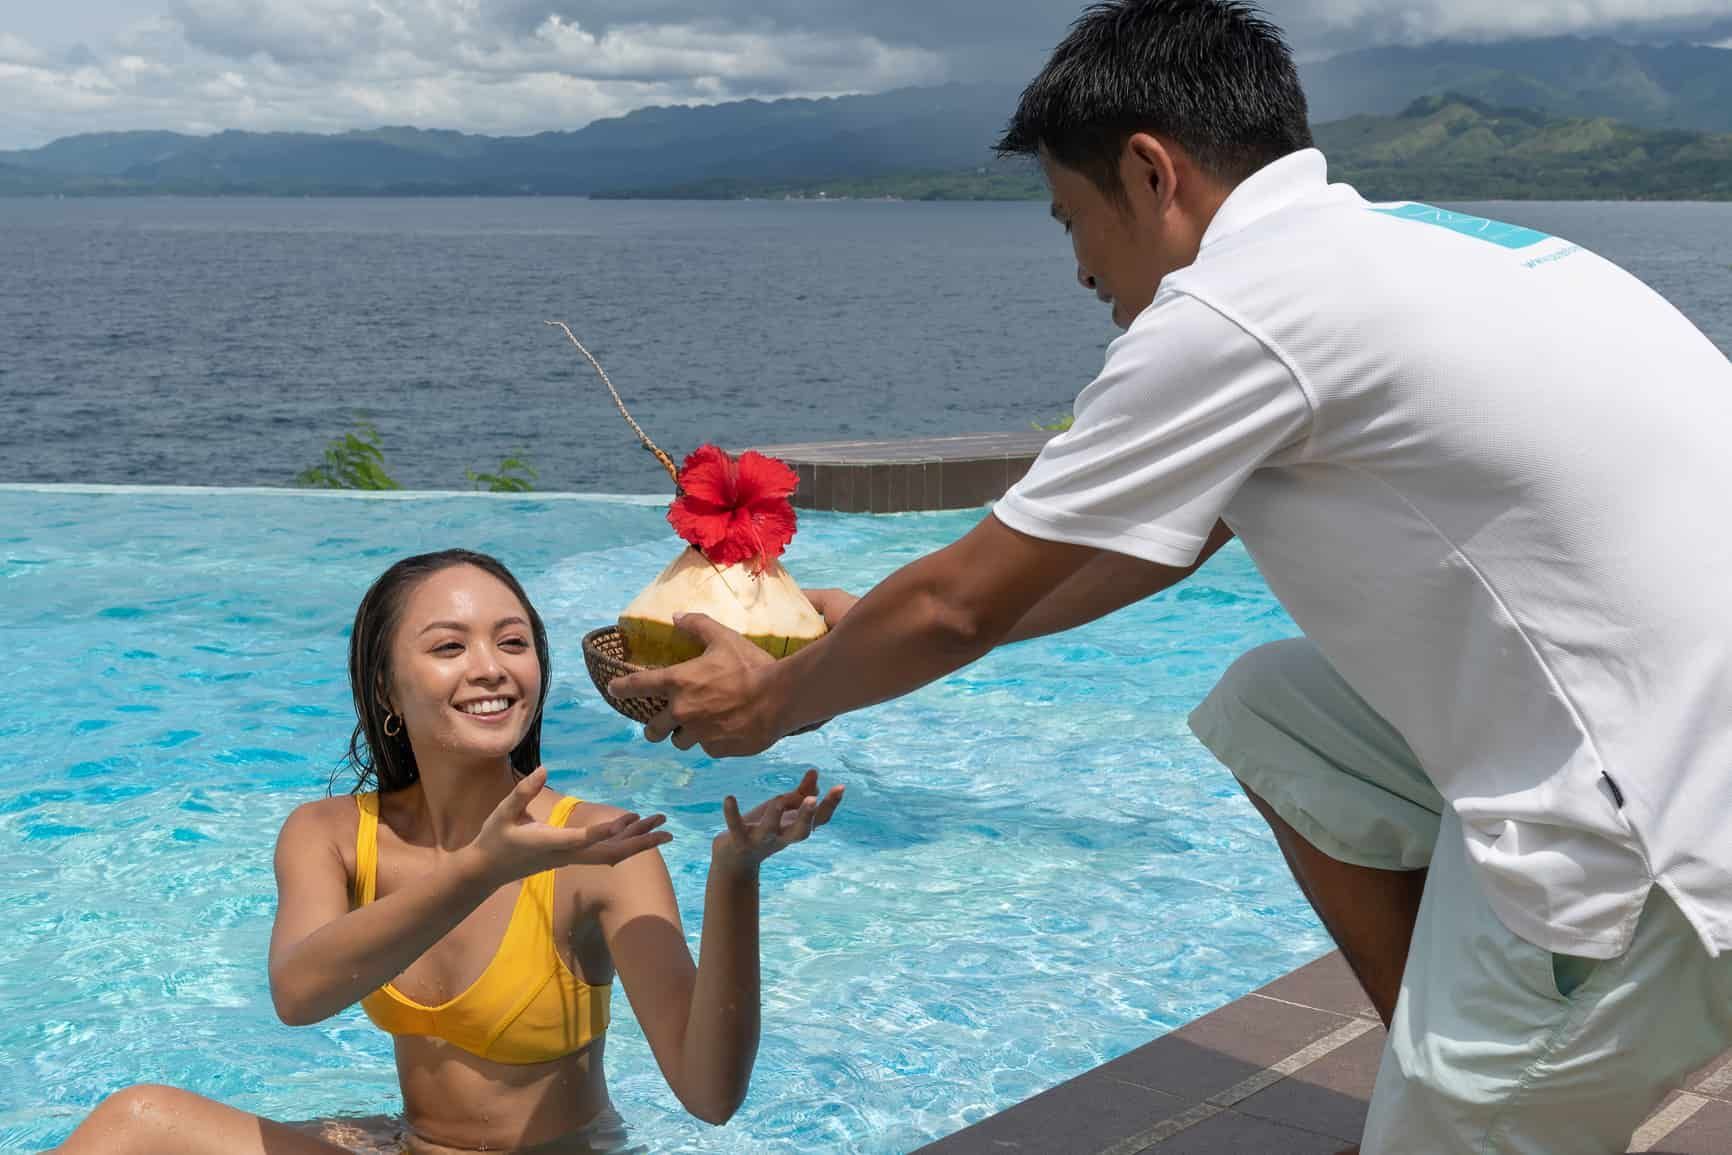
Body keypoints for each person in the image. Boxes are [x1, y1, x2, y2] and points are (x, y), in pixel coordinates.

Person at [609, 2, 1732, 1151]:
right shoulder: (1402, 251)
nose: (1085, 271)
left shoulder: (1235, 310)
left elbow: (957, 602)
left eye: (1070, 221)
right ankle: (1450, 1068)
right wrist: (857, 631)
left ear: (1150, 172)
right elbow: (1150, 545)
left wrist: (774, 699)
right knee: (1276, 709)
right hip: (1677, 725)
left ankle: (1480, 1105)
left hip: (1656, 820)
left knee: (1448, 1133)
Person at [55, 548, 844, 1155]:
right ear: (389, 690)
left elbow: (709, 1092)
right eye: (448, 646)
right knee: (136, 1122)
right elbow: (298, 993)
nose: (490, 667)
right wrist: (481, 867)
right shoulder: (328, 834)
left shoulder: (598, 849)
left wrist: (734, 880)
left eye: (511, 641)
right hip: (409, 1142)